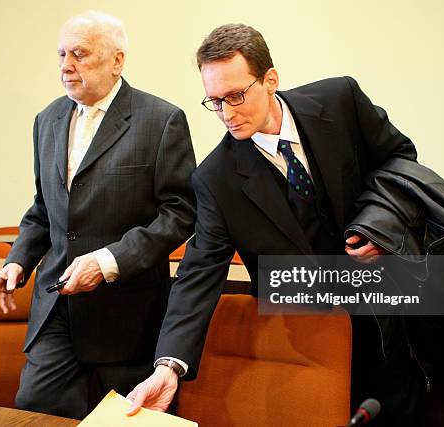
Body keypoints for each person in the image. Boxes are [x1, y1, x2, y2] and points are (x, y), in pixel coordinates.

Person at [126, 23, 428, 425]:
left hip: (389, 310)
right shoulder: (215, 180)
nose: (227, 114)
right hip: (305, 334)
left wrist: (382, 226)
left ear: (270, 80)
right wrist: (168, 367)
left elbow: (399, 159)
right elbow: (198, 273)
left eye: (236, 96)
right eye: (215, 101)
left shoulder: (340, 100)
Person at [0, 11, 196, 420]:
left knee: (127, 420)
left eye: (79, 54)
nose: (66, 65)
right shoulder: (47, 120)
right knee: (33, 412)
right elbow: (44, 210)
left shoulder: (160, 120)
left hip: (128, 315)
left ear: (117, 61)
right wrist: (17, 260)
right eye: (62, 54)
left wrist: (108, 261)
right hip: (57, 307)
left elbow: (180, 213)